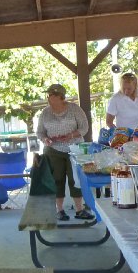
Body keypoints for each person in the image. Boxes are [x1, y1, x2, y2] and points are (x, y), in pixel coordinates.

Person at [36, 84, 93, 221]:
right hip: (53, 150)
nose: (49, 98)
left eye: (51, 95)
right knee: (57, 179)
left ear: (60, 97)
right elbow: (40, 132)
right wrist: (45, 139)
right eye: (48, 95)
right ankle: (59, 210)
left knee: (76, 179)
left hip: (74, 148)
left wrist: (72, 135)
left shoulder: (74, 109)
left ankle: (79, 210)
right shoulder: (45, 112)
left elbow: (84, 127)